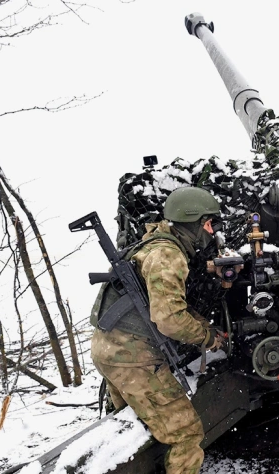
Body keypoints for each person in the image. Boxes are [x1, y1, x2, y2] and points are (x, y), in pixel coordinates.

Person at [89, 186, 225, 474]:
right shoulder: (167, 255)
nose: (212, 232)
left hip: (108, 349)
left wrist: (204, 325)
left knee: (132, 432)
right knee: (186, 435)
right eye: (208, 224)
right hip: (132, 359)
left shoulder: (152, 243)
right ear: (193, 223)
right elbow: (169, 320)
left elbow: (168, 305)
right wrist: (208, 338)